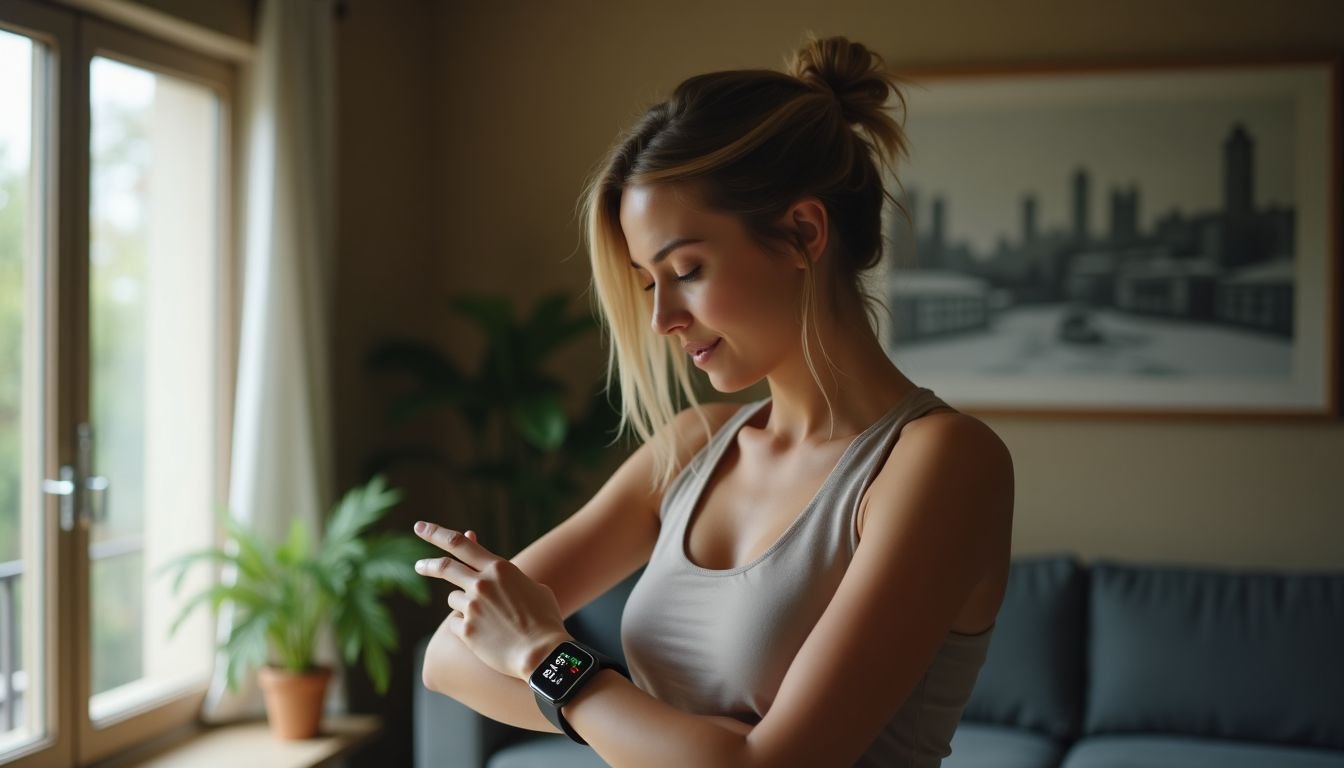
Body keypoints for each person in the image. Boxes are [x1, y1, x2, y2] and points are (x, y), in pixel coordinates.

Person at [415, 33, 1014, 768]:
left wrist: (549, 658)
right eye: (647, 283)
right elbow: (449, 659)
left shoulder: (943, 462)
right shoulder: (695, 444)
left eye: (686, 269)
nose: (662, 317)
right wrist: (672, 738)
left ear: (802, 232)